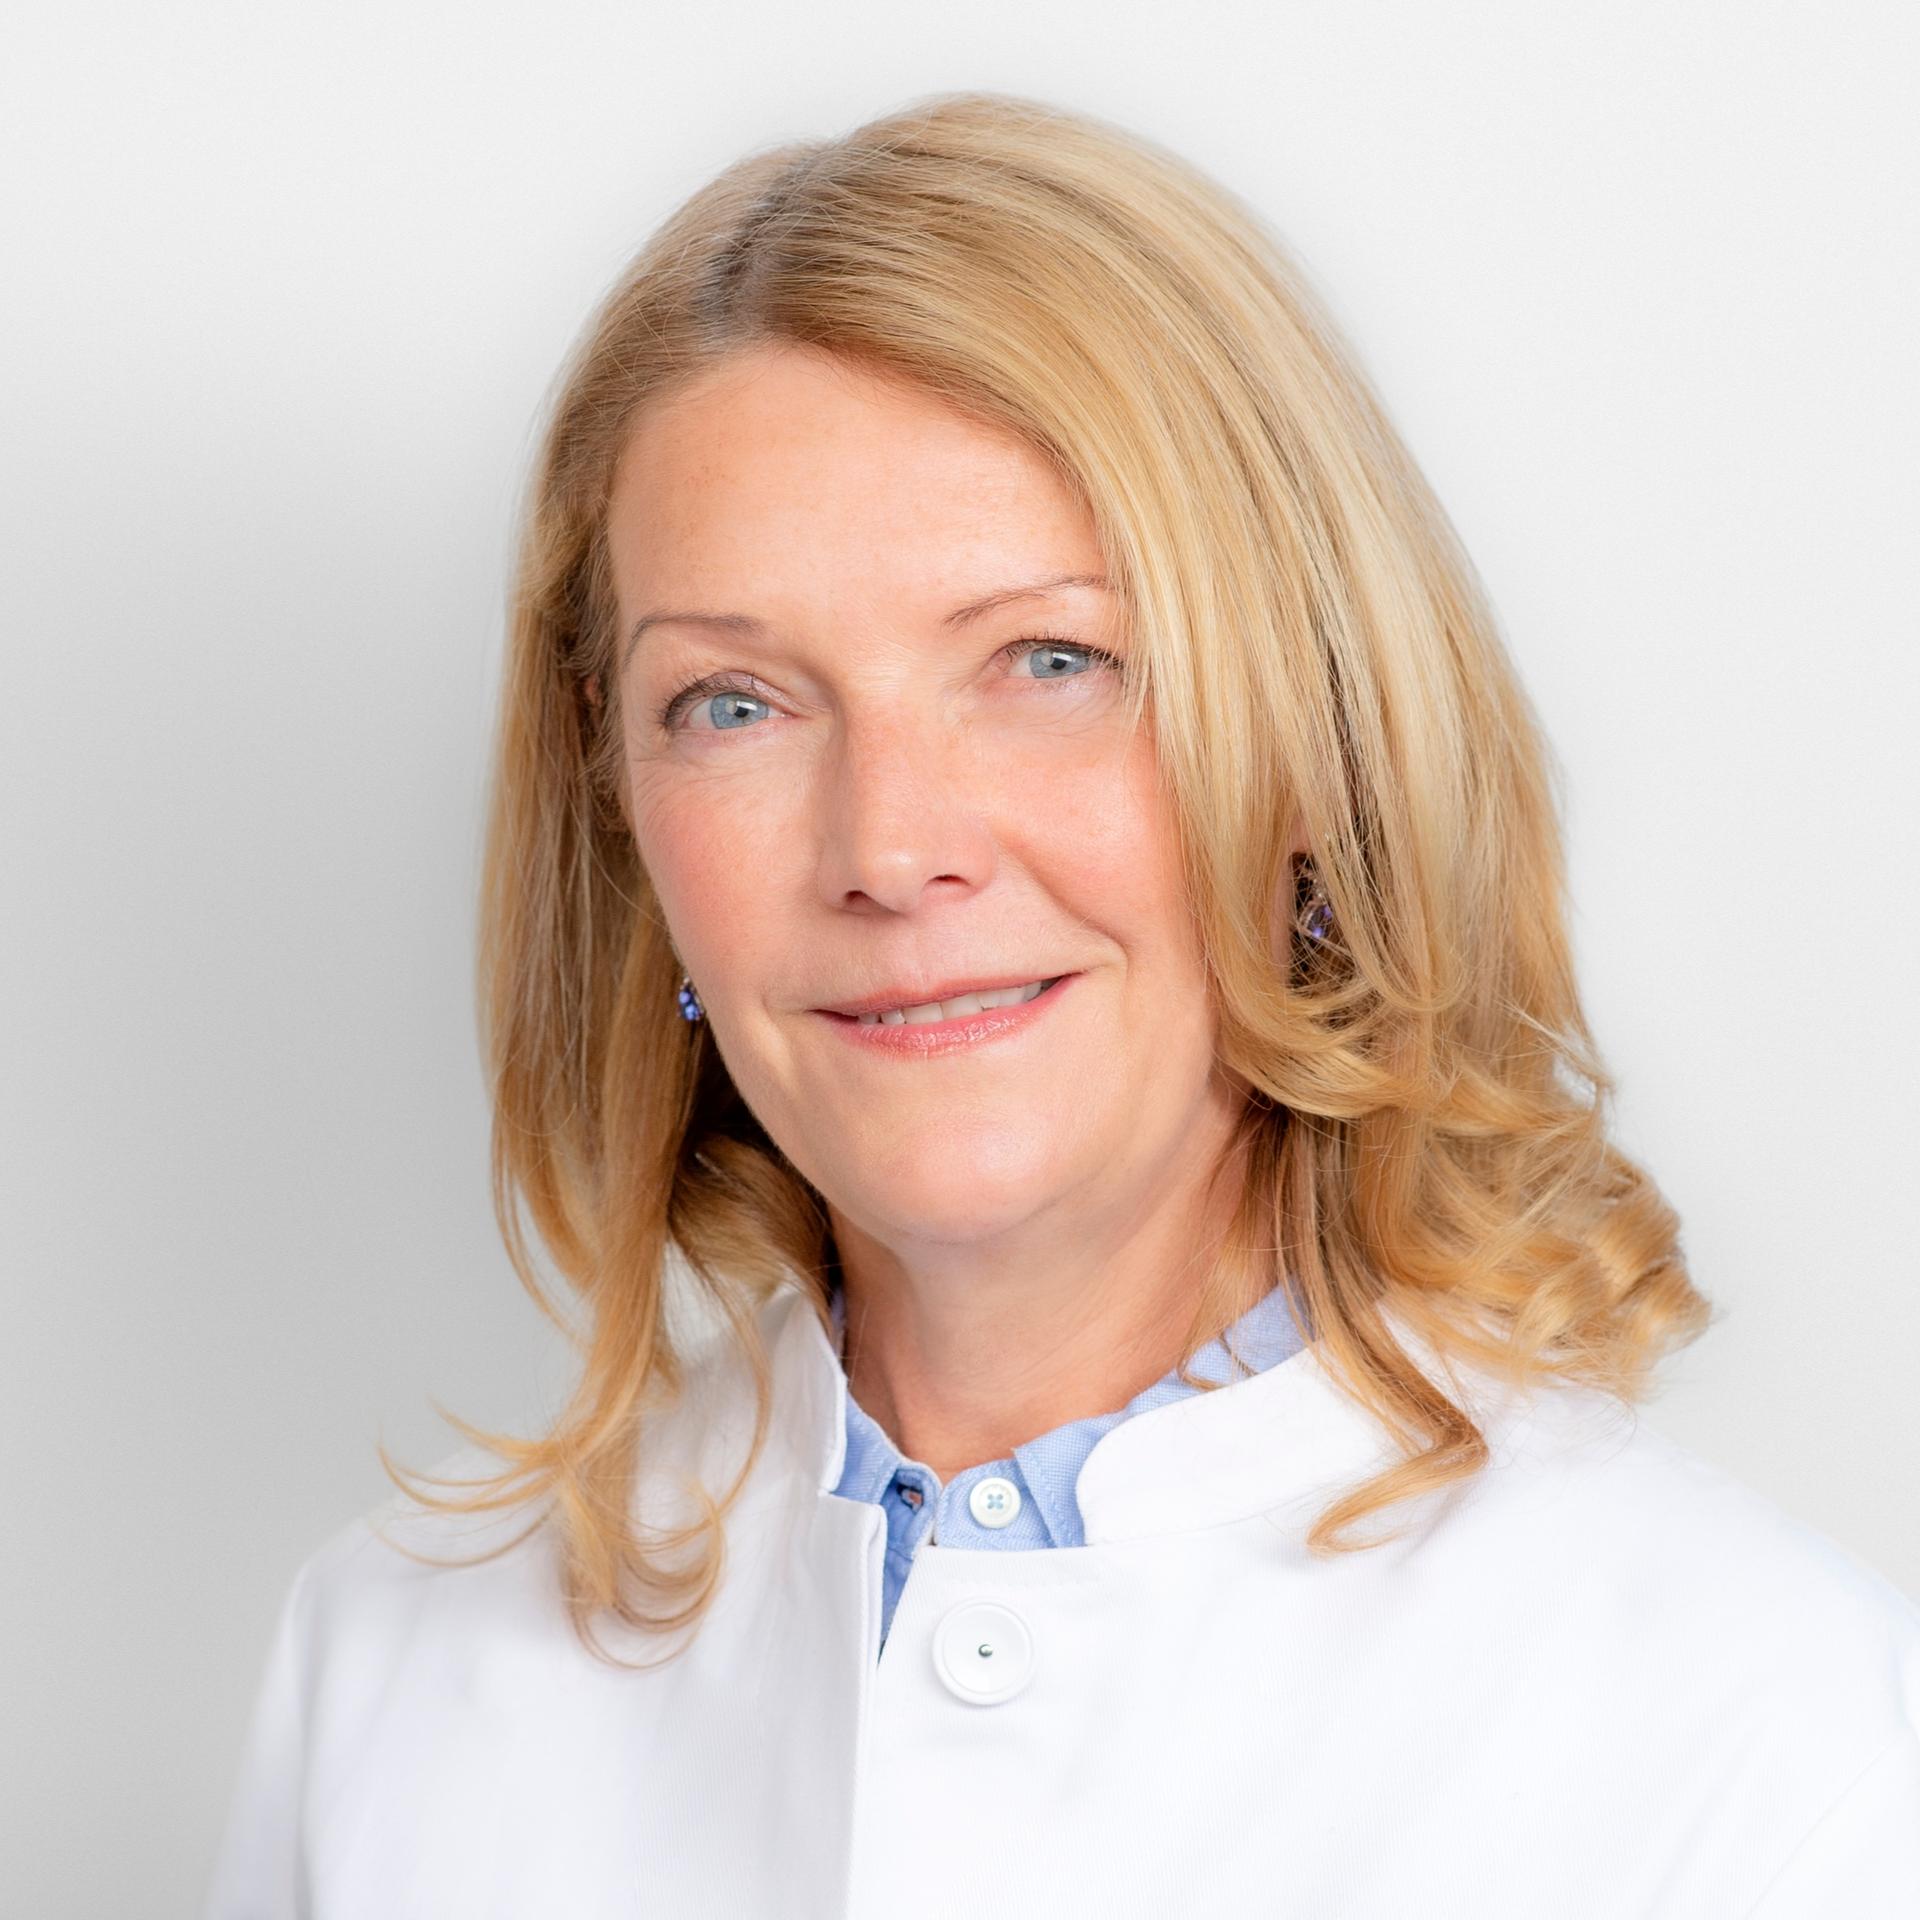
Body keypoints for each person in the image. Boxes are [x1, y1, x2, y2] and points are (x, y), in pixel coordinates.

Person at [203, 89, 1920, 1917]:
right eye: (735, 703)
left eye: (1050, 660)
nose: (891, 848)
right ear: (618, 803)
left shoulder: (1771, 1751)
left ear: (1320, 740)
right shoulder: (396, 1680)